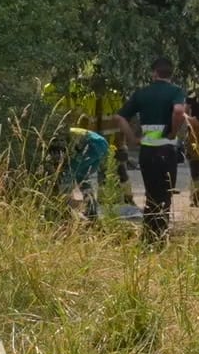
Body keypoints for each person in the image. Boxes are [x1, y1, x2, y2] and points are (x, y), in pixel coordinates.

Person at [112, 57, 190, 239]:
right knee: (165, 195)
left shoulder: (142, 93)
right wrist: (173, 131)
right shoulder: (176, 91)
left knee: (151, 195)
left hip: (147, 150)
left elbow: (119, 117)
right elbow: (179, 110)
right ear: (171, 73)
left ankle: (148, 237)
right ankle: (160, 237)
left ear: (154, 73)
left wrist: (131, 138)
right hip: (167, 150)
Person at [57, 125, 110, 219]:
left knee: (70, 171)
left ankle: (63, 207)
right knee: (83, 178)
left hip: (92, 144)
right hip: (102, 144)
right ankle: (92, 213)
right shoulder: (69, 130)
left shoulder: (59, 134)